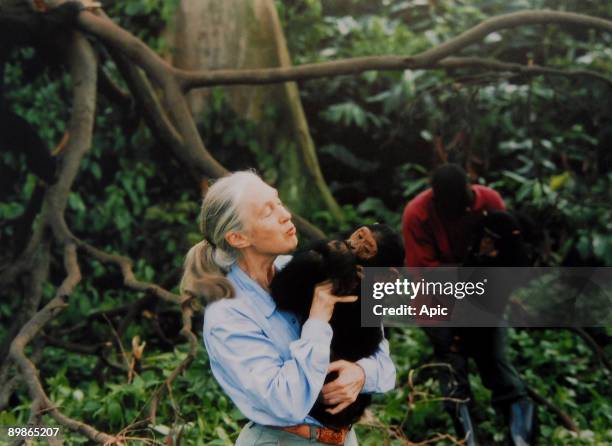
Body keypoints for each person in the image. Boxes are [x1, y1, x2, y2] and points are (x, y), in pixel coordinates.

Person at [181, 171, 396, 445]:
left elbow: (383, 358)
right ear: (238, 238)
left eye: (279, 202)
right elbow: (287, 404)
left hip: (343, 437)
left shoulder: (294, 268)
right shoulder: (227, 315)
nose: (285, 215)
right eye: (267, 212)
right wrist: (318, 317)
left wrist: (362, 373)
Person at [401, 164, 535, 446]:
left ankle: (521, 438)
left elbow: (510, 256)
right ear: (437, 201)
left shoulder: (489, 202)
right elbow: (424, 273)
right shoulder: (418, 214)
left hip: (485, 300)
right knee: (453, 376)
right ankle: (465, 438)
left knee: (498, 366)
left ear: (470, 191)